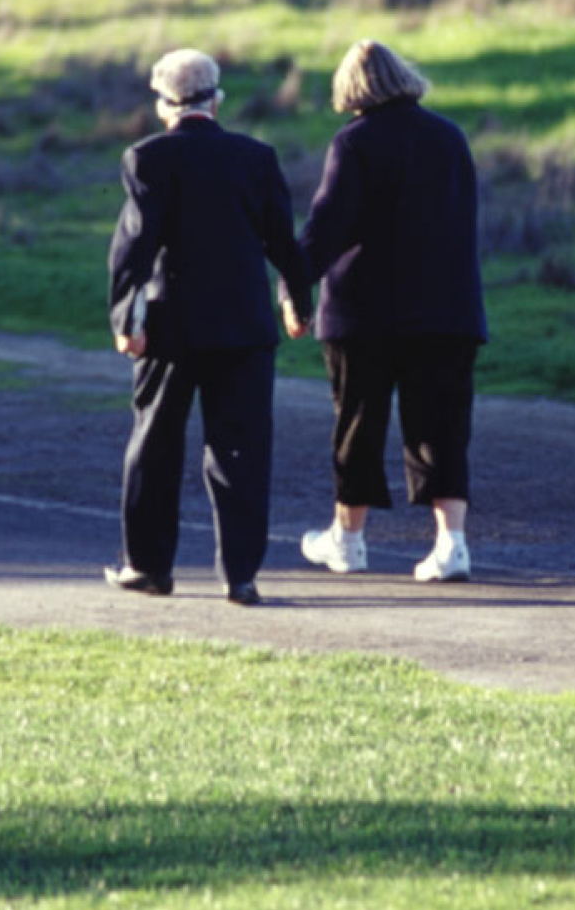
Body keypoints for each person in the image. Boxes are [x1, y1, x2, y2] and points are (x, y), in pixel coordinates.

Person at [106, 48, 312, 606]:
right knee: (240, 451)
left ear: (163, 103)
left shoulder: (147, 158)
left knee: (155, 444)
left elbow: (133, 248)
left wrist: (127, 317)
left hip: (171, 330)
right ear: (217, 99)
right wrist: (297, 300)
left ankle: (149, 566)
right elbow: (282, 243)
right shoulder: (257, 157)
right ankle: (240, 575)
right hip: (245, 328)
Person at [287, 39, 488, 583]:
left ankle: (348, 541)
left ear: (350, 89)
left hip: (364, 314)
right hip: (448, 310)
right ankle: (452, 547)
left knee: (358, 425)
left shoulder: (354, 143)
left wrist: (292, 290)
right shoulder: (450, 138)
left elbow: (326, 230)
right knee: (442, 427)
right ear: (402, 76)